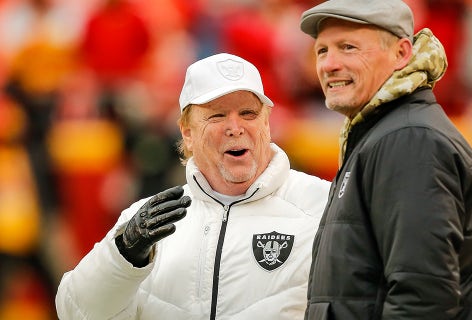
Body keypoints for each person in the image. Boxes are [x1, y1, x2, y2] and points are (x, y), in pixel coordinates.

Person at [55, 53, 330, 319]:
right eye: (217, 116)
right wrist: (123, 256)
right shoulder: (148, 222)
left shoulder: (325, 205)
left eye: (248, 113)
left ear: (267, 124)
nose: (235, 127)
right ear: (187, 134)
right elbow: (75, 312)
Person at [298, 0, 472, 318]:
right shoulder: (384, 134)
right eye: (322, 51)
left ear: (402, 53)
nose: (328, 64)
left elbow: (422, 297)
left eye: (348, 47)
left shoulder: (408, 140)